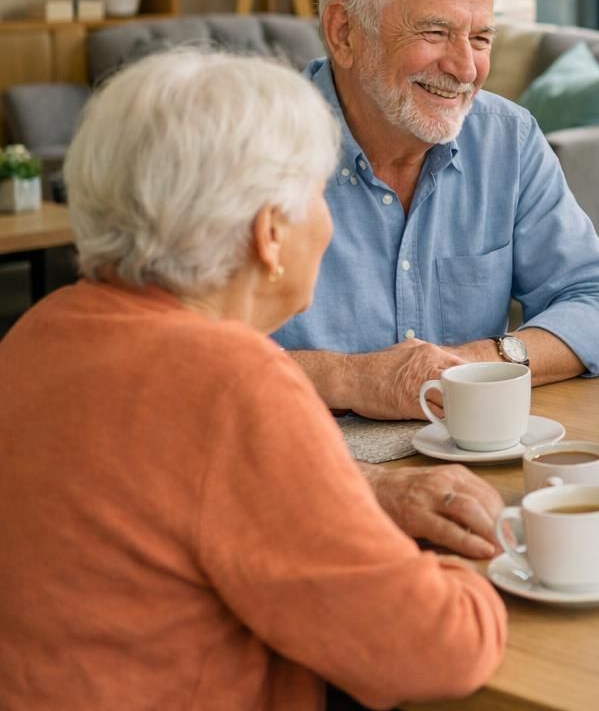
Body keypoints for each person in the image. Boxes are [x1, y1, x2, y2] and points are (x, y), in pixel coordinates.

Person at [0, 51, 506, 709]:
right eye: (320, 195)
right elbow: (436, 648)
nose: (328, 223)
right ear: (269, 233)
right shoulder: (231, 382)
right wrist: (498, 561)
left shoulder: (34, 334)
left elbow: (161, 495)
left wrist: (364, 490)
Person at [273, 0, 599, 414]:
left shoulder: (506, 139)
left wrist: (483, 362)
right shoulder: (244, 148)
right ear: (344, 33)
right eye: (435, 32)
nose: (466, 68)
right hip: (300, 448)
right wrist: (350, 378)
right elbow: (181, 350)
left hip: (477, 446)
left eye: (480, 38)